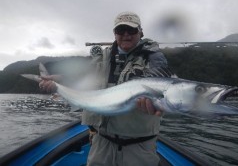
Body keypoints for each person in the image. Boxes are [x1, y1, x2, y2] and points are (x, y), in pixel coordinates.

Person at [39, 12, 172, 166]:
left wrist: (161, 104)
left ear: (141, 32)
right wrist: (57, 81)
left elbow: (163, 86)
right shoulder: (102, 57)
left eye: (132, 30)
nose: (126, 35)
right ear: (115, 33)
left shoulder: (154, 58)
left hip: (139, 148)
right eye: (121, 30)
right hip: (101, 143)